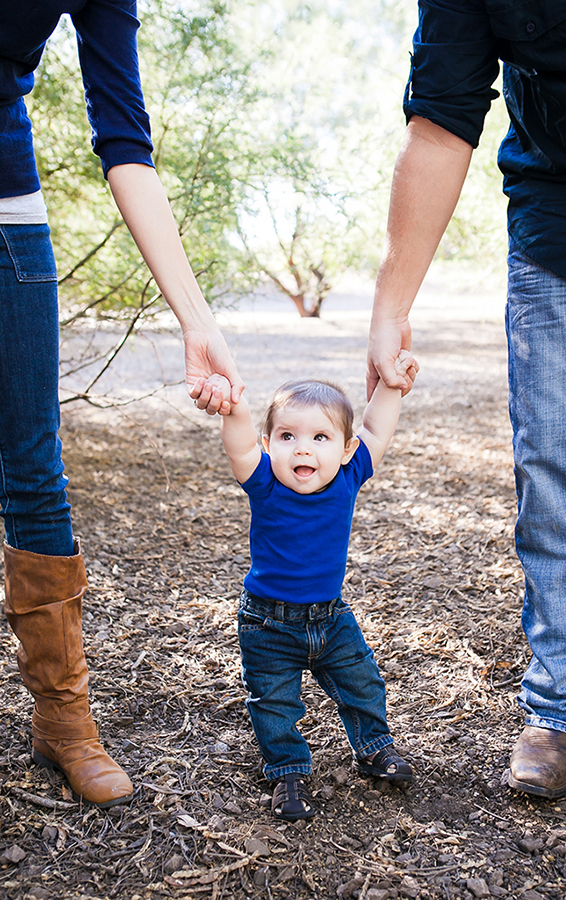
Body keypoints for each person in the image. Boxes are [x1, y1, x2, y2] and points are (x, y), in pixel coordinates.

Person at [1, 1, 240, 808]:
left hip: (5, 205)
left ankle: (64, 720)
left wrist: (195, 319)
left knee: (34, 469)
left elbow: (125, 143)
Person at [366, 0, 566, 799]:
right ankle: (562, 706)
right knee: (554, 472)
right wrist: (391, 308)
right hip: (560, 227)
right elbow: (441, 119)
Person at [195, 363, 418, 820]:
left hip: (331, 619)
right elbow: (238, 445)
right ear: (269, 445)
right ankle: (287, 770)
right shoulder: (265, 484)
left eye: (321, 438)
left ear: (345, 449)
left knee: (363, 683)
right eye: (287, 436)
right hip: (267, 623)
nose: (304, 448)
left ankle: (375, 748)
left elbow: (376, 428)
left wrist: (391, 386)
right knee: (273, 701)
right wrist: (233, 406)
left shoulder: (348, 477)